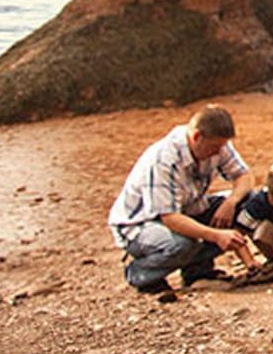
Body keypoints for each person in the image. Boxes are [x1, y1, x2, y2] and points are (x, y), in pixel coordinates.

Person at [107, 105, 256, 294]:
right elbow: (169, 217)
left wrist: (232, 201)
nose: (219, 152)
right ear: (196, 137)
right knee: (183, 244)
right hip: (141, 224)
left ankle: (197, 271)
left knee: (250, 203)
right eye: (214, 147)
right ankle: (141, 274)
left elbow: (244, 176)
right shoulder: (164, 159)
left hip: (187, 209)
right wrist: (217, 235)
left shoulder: (216, 144)